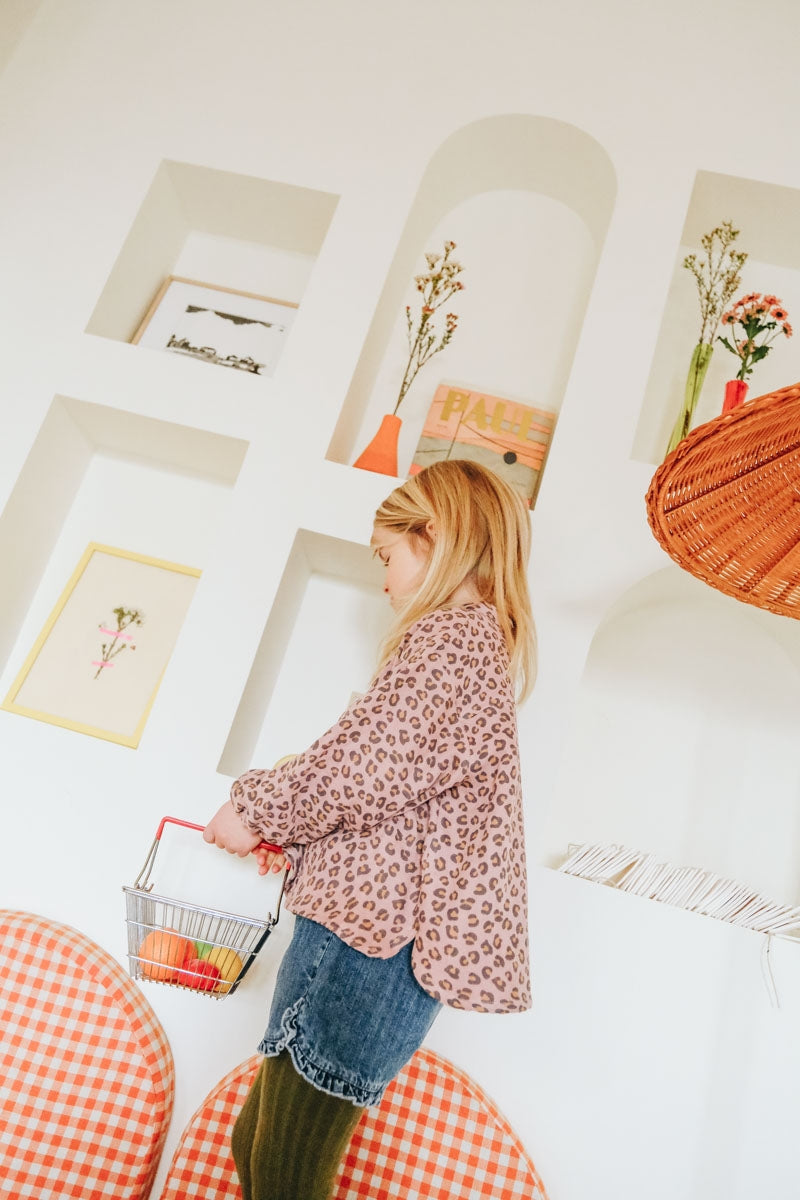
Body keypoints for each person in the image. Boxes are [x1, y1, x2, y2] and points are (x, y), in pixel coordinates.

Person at [203, 459, 537, 1200]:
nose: (384, 584)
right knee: (259, 1152)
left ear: (437, 536)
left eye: (389, 557)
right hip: (367, 940)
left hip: (369, 951)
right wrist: (300, 841)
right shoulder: (470, 651)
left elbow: (359, 772)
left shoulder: (452, 643)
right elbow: (393, 796)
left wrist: (253, 808)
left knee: (284, 1175)